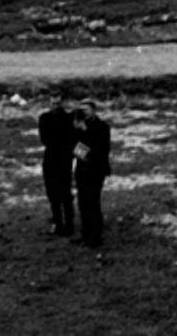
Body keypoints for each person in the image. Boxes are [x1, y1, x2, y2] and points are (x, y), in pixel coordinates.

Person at [71, 98, 113, 246]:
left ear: (93, 110)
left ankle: (95, 237)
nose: (84, 113)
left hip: (96, 170)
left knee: (93, 204)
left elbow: (99, 150)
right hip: (82, 170)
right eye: (81, 110)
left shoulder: (102, 127)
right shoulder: (80, 127)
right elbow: (74, 148)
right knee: (83, 203)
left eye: (86, 110)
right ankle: (85, 235)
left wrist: (84, 134)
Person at [36, 97, 77, 236]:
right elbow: (45, 139)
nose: (56, 106)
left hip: (64, 159)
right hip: (51, 159)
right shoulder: (45, 118)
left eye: (58, 103)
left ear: (63, 103)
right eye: (53, 103)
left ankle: (69, 225)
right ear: (49, 104)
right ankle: (58, 223)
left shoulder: (69, 117)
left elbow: (72, 138)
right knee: (52, 192)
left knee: (65, 193)